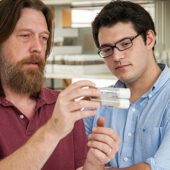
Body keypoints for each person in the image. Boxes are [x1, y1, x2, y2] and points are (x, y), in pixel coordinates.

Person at [0, 0, 121, 170]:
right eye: (25, 35)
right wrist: (53, 130)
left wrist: (94, 163)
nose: (37, 47)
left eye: (43, 37)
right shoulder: (60, 118)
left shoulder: (63, 106)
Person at [84, 0, 170, 170]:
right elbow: (78, 162)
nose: (116, 56)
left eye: (125, 44)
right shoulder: (97, 103)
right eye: (107, 49)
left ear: (149, 39)